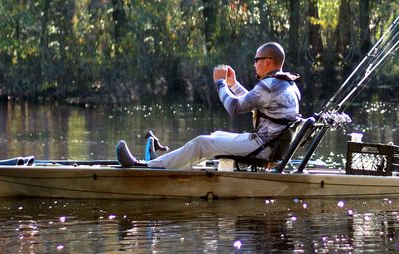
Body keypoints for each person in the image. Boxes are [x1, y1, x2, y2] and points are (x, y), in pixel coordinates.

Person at [115, 42, 301, 169]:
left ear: (267, 61)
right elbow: (254, 103)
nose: (254, 64)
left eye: (256, 60)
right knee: (215, 136)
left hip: (262, 148)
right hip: (268, 145)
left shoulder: (268, 85)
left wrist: (220, 83)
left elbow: (234, 107)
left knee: (202, 142)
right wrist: (233, 84)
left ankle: (145, 167)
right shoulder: (285, 84)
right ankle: (169, 165)